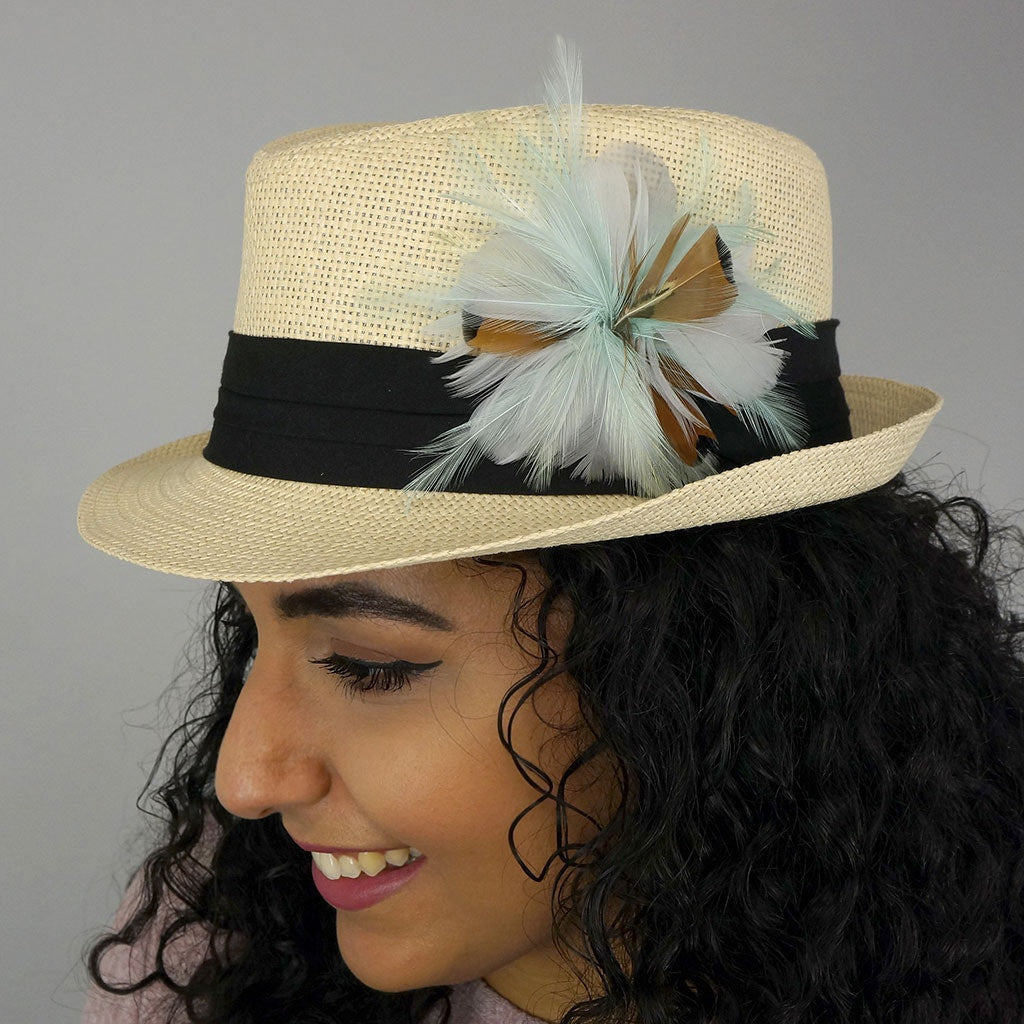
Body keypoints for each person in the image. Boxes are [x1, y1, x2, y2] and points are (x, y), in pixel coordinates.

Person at [78, 44, 1023, 1024]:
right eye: (249, 637)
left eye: (369, 667)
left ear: (703, 666)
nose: (243, 780)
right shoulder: (211, 943)